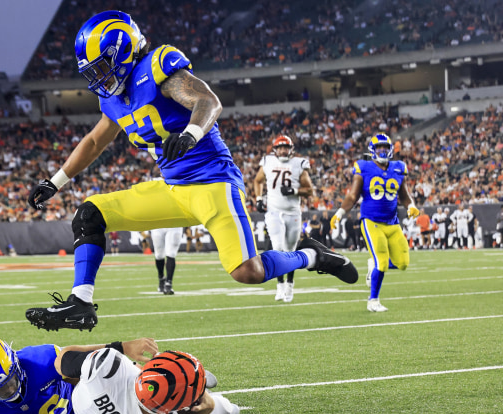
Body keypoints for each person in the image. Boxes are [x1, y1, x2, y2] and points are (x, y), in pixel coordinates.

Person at [25, 10, 357, 331]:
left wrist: (190, 134)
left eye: (103, 67)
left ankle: (311, 255)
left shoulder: (156, 68)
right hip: (174, 189)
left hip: (213, 183)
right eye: (93, 71)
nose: (99, 78)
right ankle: (80, 303)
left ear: (124, 50)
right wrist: (55, 182)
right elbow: (95, 142)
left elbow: (209, 102)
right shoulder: (113, 100)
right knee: (89, 213)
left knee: (248, 272)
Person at [0, 335, 157, 414]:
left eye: (11, 381)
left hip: (79, 408)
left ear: (16, 364)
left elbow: (87, 363)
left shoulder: (41, 361)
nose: (10, 390)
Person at [56, 347, 239, 414]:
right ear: (170, 412)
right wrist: (207, 408)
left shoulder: (106, 366)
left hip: (85, 407)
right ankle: (201, 393)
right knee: (226, 407)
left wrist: (121, 347)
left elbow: (61, 361)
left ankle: (175, 382)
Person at [330, 133, 419, 312]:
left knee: (402, 263)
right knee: (382, 263)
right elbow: (353, 195)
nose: (382, 151)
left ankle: (374, 265)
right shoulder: (364, 167)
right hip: (371, 221)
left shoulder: (399, 167)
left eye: (385, 148)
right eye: (379, 147)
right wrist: (340, 213)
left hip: (392, 223)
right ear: (372, 149)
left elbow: (404, 195)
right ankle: (373, 300)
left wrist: (411, 206)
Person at [252, 134, 314, 303]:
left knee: (291, 250)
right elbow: (257, 181)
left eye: (286, 147)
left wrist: (294, 191)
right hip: (273, 212)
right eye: (280, 147)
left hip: (293, 213)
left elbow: (309, 190)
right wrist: (258, 199)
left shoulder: (298, 164)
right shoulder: (268, 162)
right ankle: (280, 286)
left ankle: (290, 284)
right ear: (275, 149)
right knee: (278, 248)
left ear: (291, 149)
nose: (283, 150)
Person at [151, 227, 182, 294]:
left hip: (175, 224)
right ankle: (161, 277)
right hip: (158, 224)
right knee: (159, 255)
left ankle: (168, 282)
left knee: (171, 253)